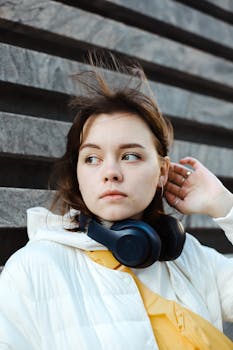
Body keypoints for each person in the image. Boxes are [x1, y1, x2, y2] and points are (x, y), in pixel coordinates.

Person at [0, 54, 233, 350]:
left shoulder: (192, 259)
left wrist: (224, 206)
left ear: (162, 171)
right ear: (78, 174)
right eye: (92, 158)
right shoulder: (33, 269)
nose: (110, 172)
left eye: (130, 156)